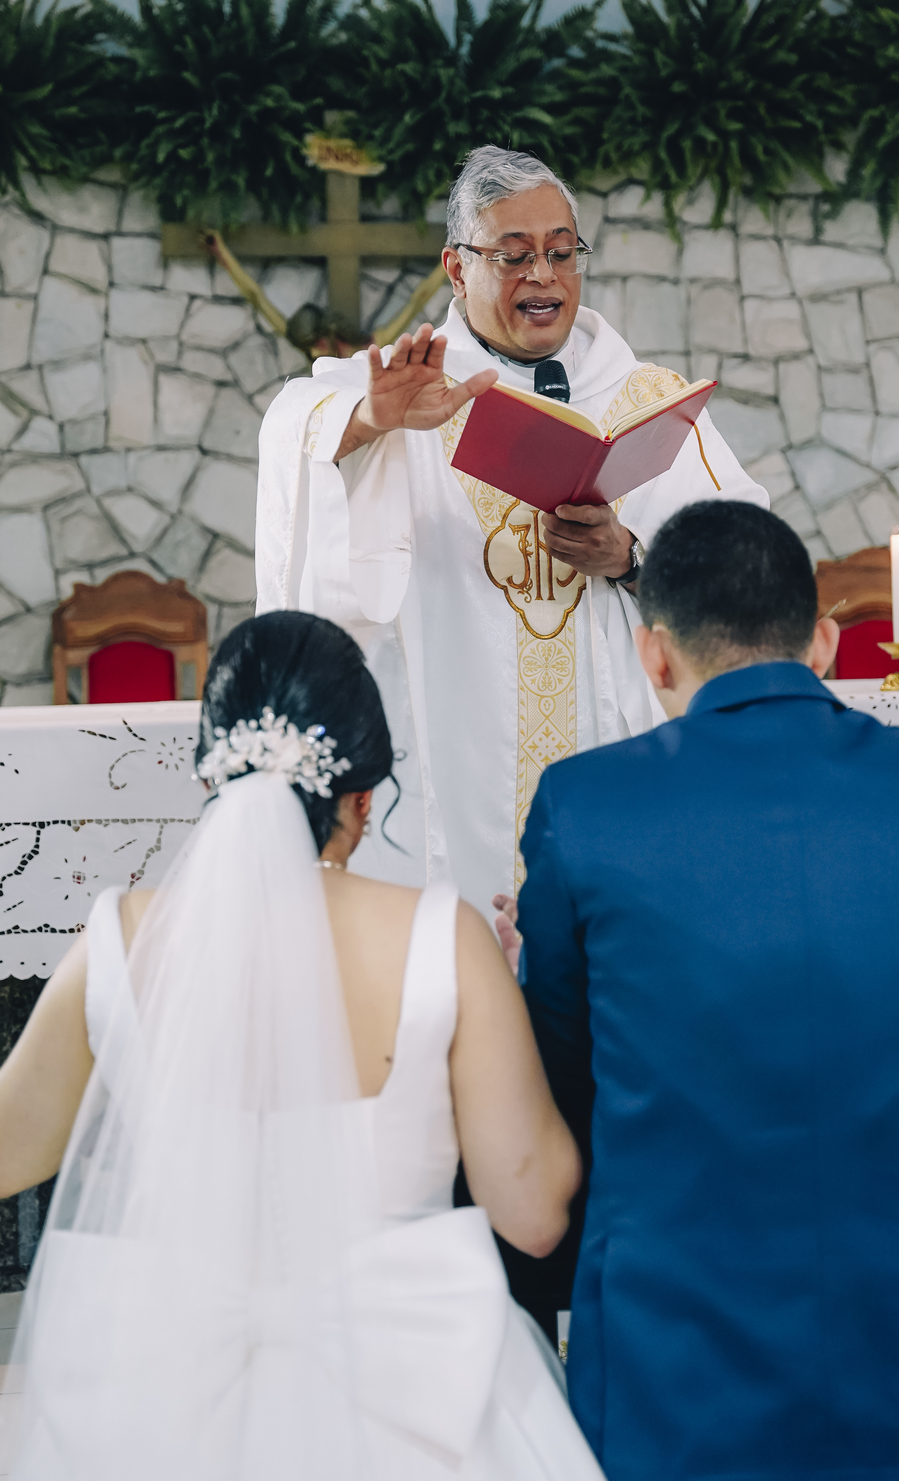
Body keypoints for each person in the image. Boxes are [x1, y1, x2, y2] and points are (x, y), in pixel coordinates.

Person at [0, 611, 607, 1481]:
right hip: (410, 1394)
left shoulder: (122, 937)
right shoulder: (442, 939)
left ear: (212, 775)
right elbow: (533, 1216)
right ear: (363, 797)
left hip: (165, 1399)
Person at [515, 501, 899, 1481]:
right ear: (825, 643)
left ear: (654, 655)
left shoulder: (585, 805)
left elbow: (561, 1081)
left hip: (677, 1358)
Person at [255, 146, 768, 919]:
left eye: (561, 252)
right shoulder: (407, 391)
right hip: (453, 772)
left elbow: (745, 567)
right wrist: (370, 421)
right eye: (515, 255)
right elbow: (300, 424)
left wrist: (631, 559)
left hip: (615, 769)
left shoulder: (645, 398)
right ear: (457, 269)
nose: (544, 277)